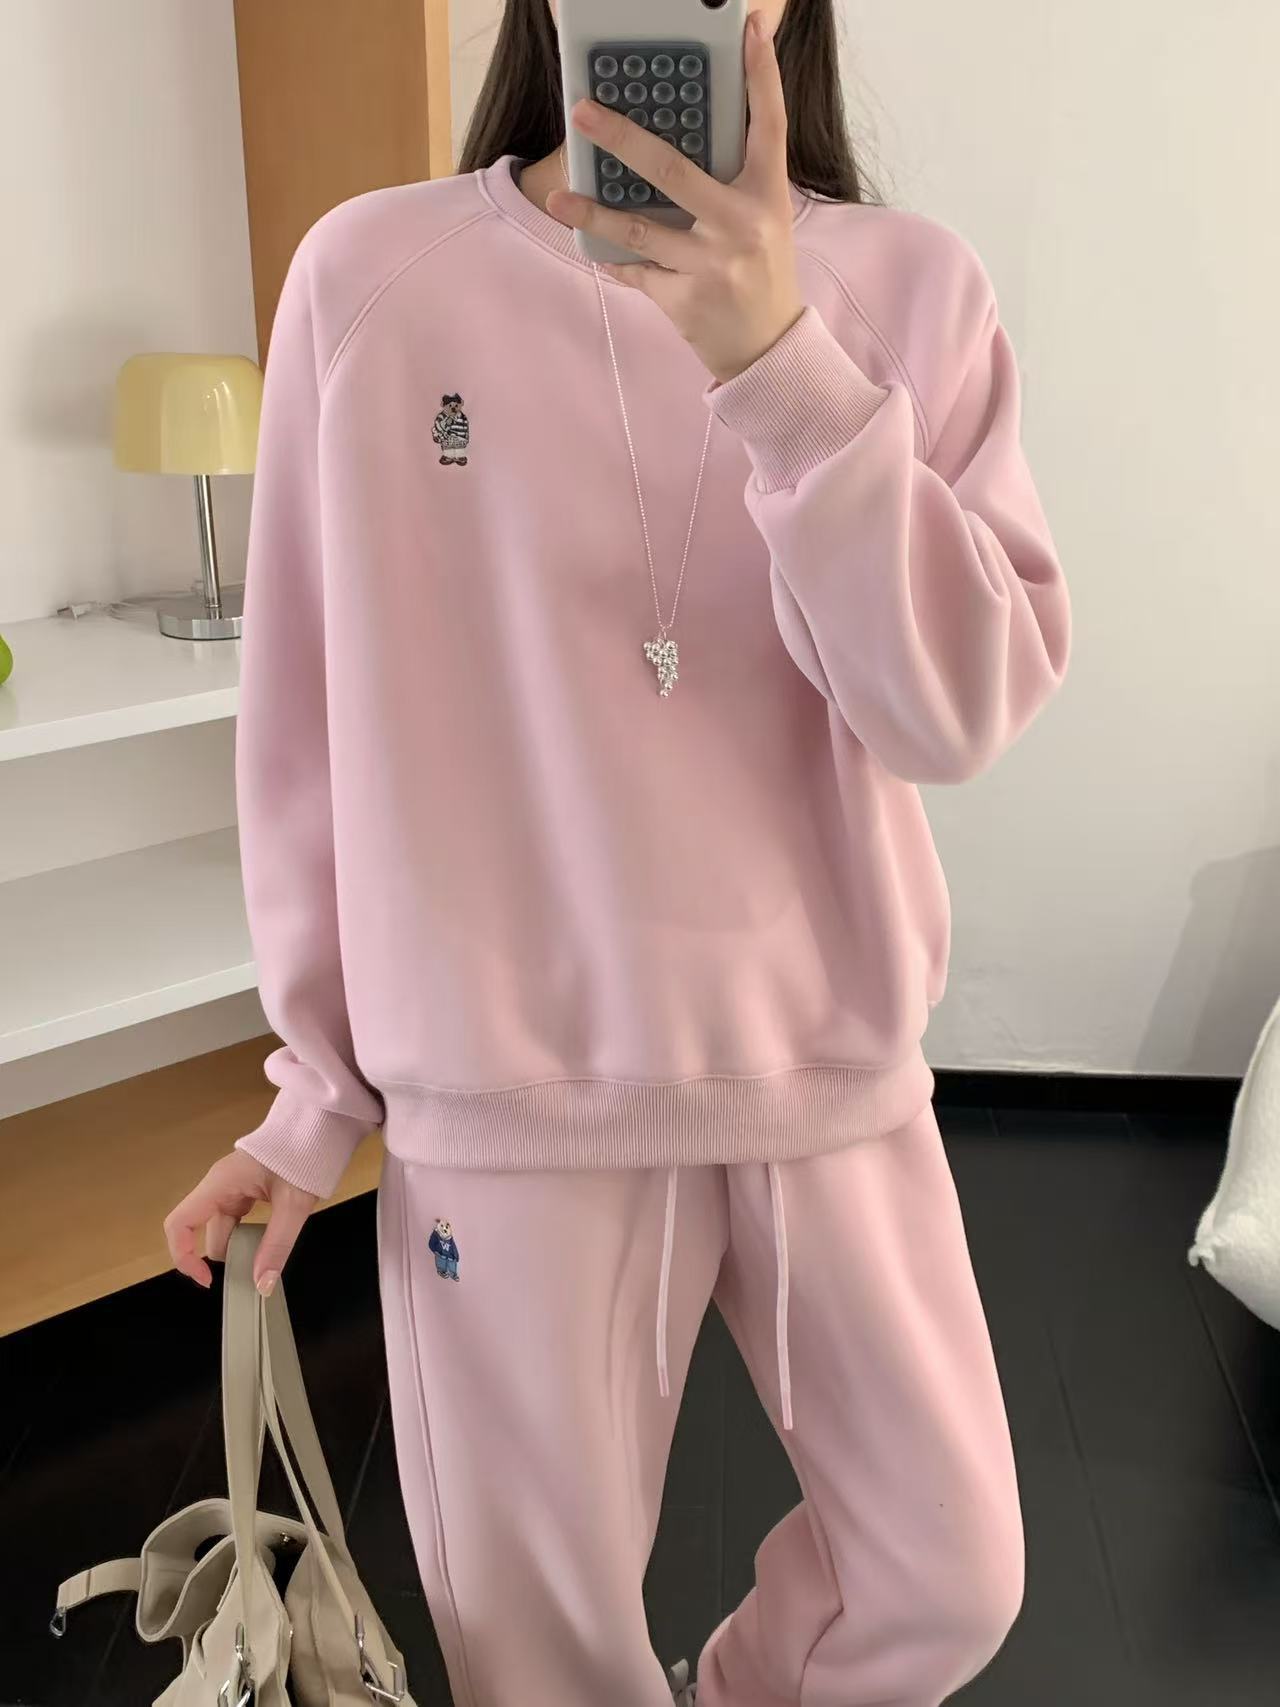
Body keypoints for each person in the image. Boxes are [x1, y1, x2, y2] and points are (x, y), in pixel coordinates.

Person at [164, 2, 1070, 1702]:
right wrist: (317, 1092)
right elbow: (305, 728)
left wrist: (779, 360)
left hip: (827, 1078)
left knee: (948, 1579)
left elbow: (954, 712)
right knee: (541, 1657)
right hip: (502, 1107)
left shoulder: (910, 291)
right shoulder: (372, 281)